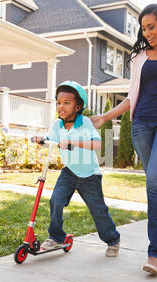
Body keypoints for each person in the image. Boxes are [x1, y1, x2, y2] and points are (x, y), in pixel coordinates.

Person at [90, 4, 157, 275]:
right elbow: (131, 97)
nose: (146, 32)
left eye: (151, 27)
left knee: (153, 182)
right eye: (143, 28)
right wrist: (105, 116)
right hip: (140, 126)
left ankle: (153, 253)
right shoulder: (138, 56)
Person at [33, 80, 121, 257]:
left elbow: (97, 144)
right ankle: (56, 237)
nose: (61, 106)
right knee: (55, 201)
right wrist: (41, 139)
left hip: (90, 175)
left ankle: (112, 240)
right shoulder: (57, 125)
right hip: (70, 172)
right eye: (59, 102)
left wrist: (73, 142)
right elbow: (52, 139)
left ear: (78, 106)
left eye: (67, 103)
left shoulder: (85, 123)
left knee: (98, 209)